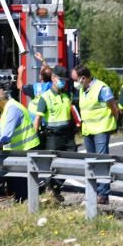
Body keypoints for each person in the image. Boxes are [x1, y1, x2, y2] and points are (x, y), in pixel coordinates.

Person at [73, 66, 120, 204]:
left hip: (101, 129)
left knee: (102, 162)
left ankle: (103, 194)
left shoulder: (102, 88)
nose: (75, 83)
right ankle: (93, 191)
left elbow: (113, 107)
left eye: (76, 79)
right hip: (88, 130)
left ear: (83, 78)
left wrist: (115, 121)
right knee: (91, 163)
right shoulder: (83, 89)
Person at [34, 66, 76, 202]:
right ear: (53, 78)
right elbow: (37, 119)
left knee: (71, 161)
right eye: (60, 79)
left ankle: (54, 187)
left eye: (65, 80)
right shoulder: (45, 97)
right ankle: (52, 190)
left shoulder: (67, 95)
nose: (63, 82)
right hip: (52, 135)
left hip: (67, 135)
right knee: (51, 164)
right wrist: (34, 138)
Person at [0, 87, 40, 199]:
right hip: (18, 149)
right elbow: (0, 128)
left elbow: (7, 132)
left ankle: (23, 201)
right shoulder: (7, 107)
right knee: (15, 180)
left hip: (25, 148)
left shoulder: (12, 109)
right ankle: (20, 200)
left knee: (21, 180)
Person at [18, 52, 53, 143]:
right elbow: (48, 72)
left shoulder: (36, 88)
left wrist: (20, 73)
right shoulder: (52, 86)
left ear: (40, 77)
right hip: (47, 124)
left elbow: (19, 86)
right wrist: (42, 60)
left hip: (35, 124)